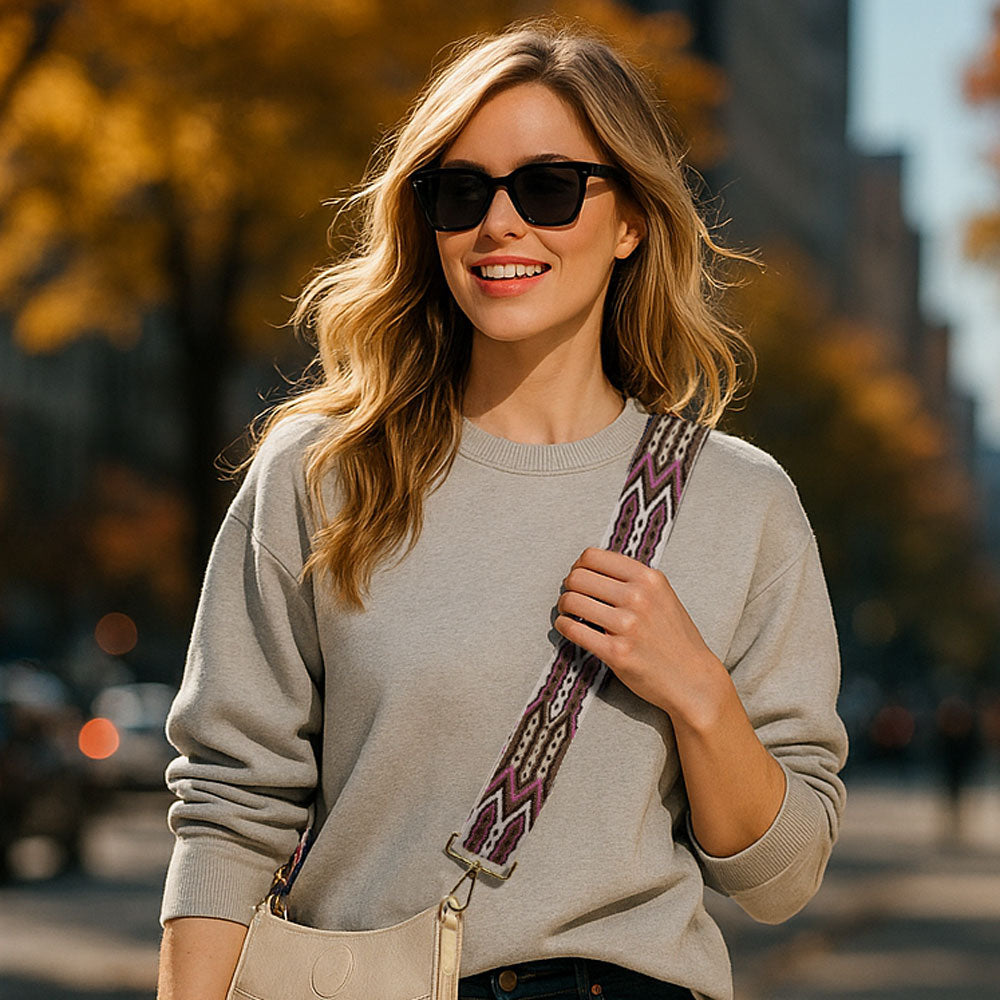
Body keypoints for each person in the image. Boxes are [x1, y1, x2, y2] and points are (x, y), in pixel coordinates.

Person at [156, 19, 849, 1000]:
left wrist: (697, 689)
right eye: (461, 192)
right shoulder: (323, 474)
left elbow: (778, 879)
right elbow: (229, 803)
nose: (499, 225)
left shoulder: (740, 503)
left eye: (549, 188)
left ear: (629, 221)